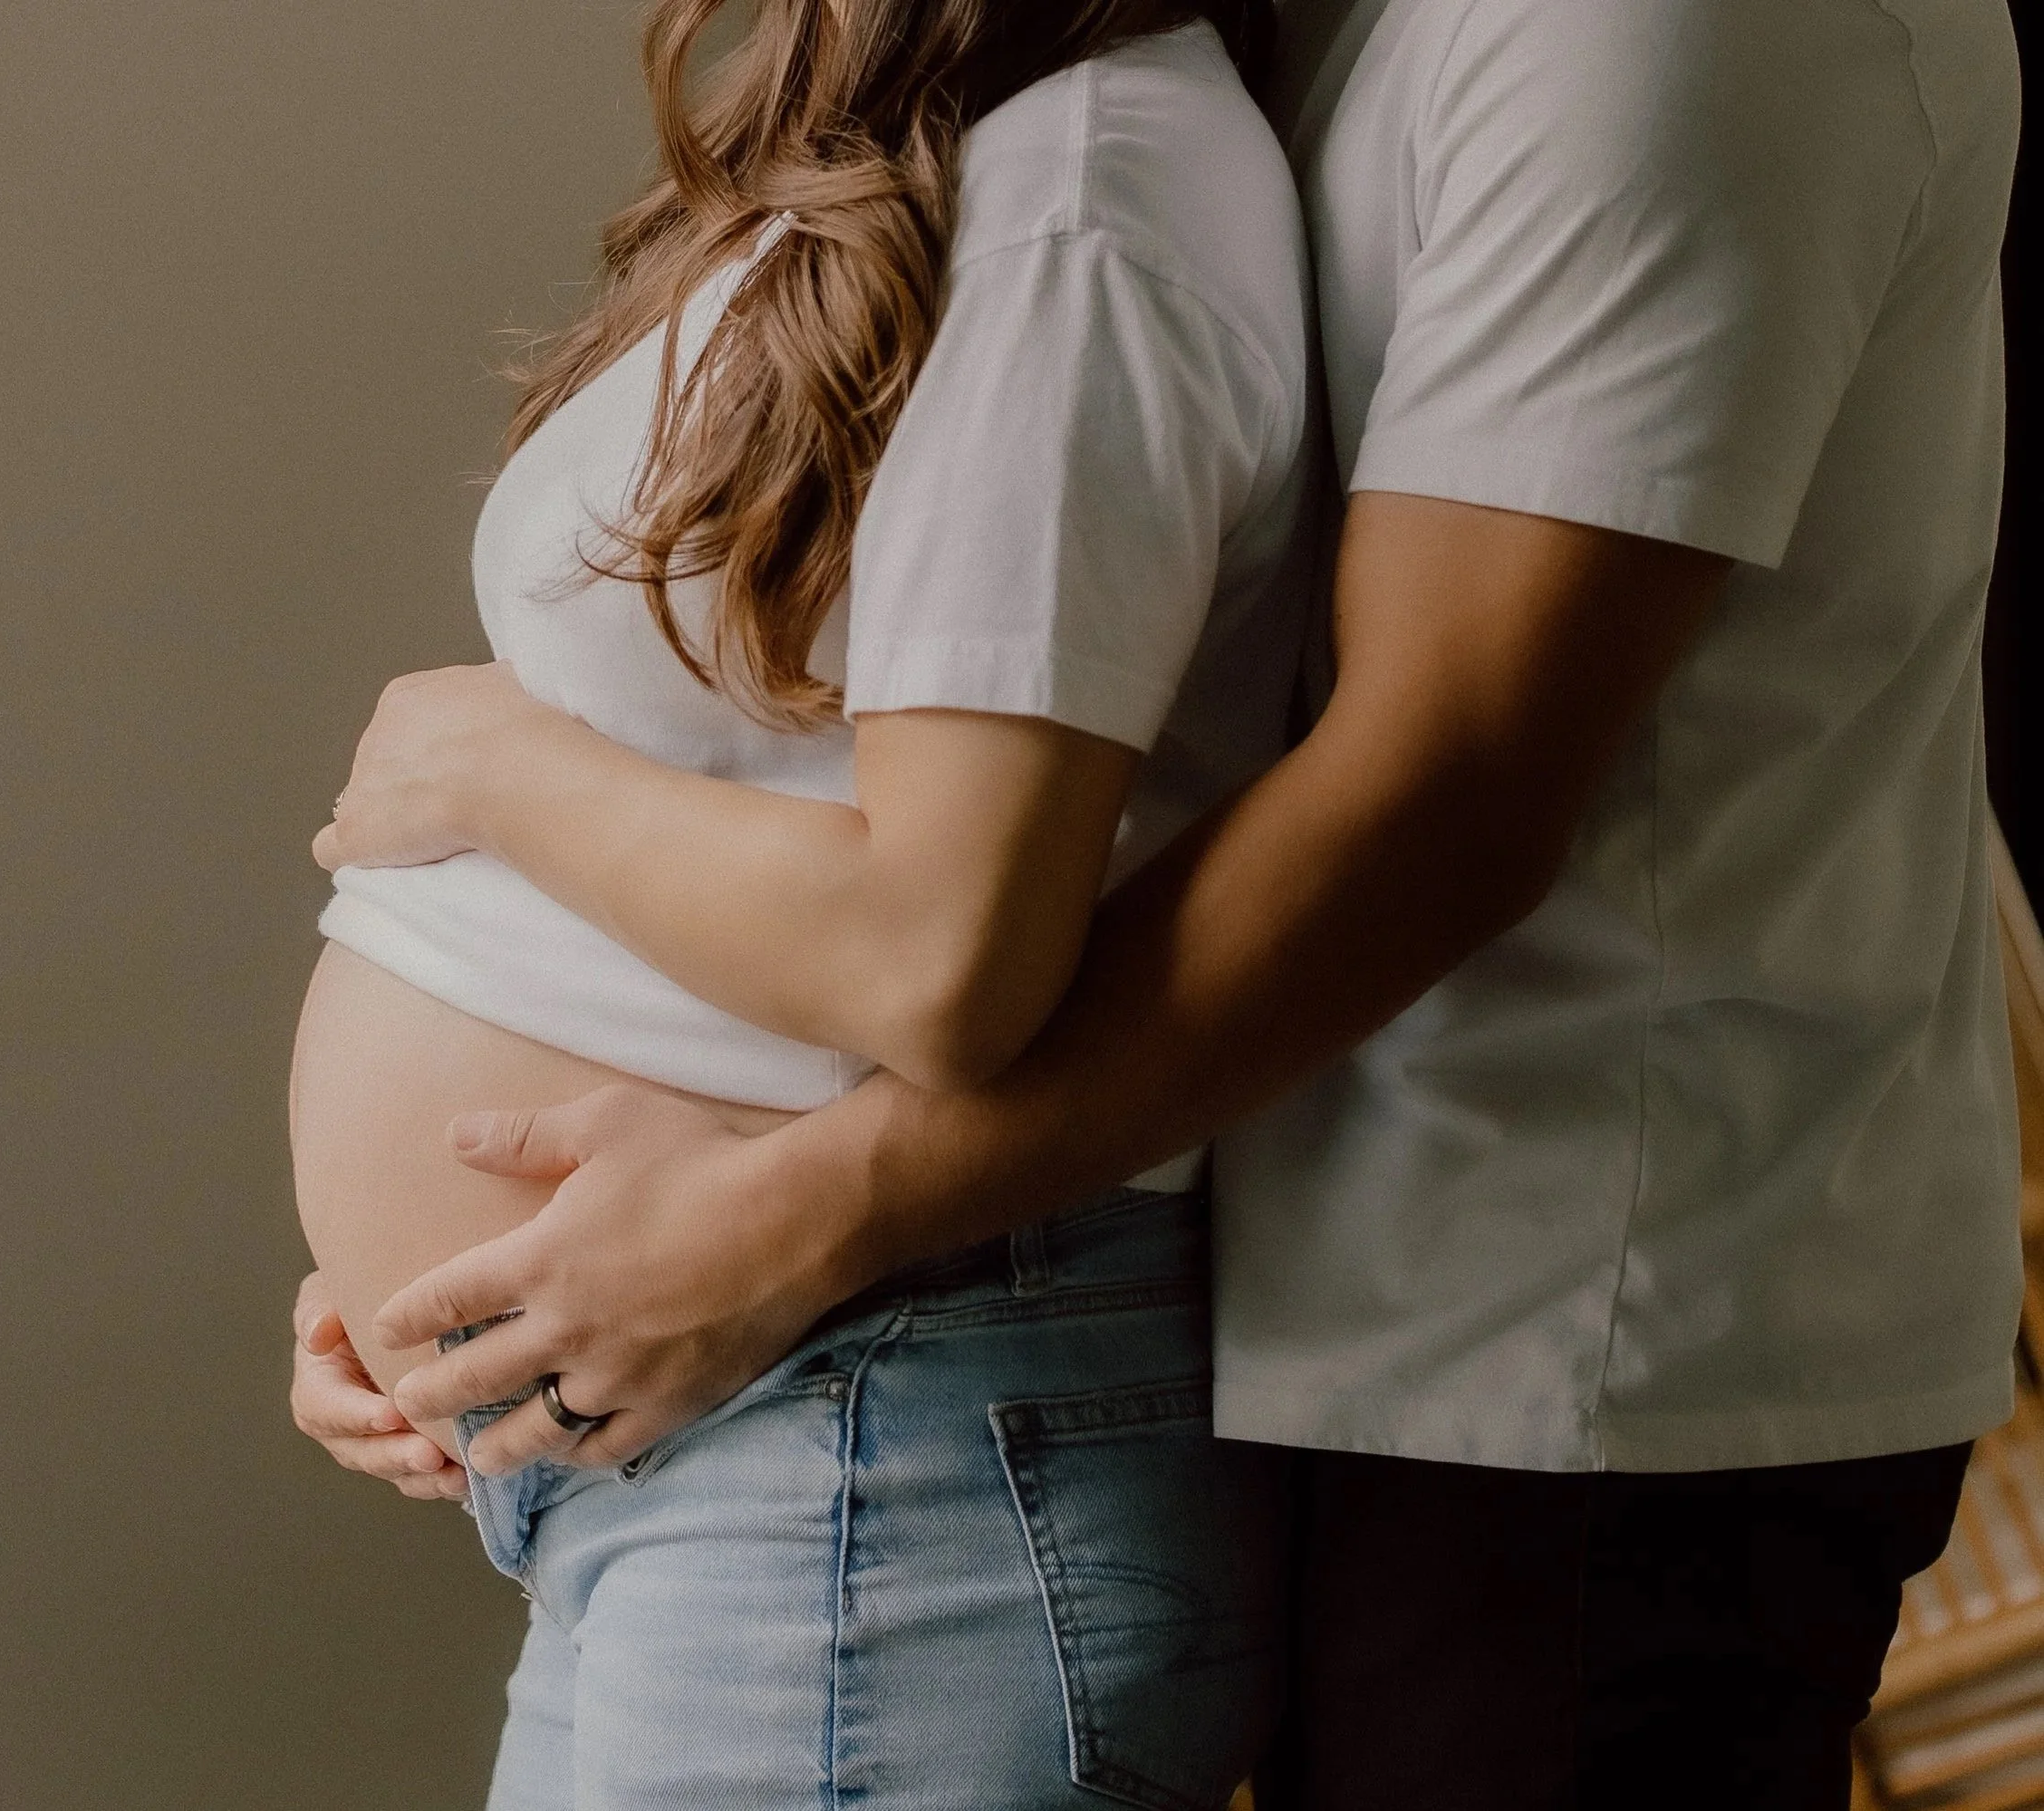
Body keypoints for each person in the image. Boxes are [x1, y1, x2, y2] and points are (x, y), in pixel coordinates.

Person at [298, 0, 2027, 1805]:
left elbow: (1434, 797)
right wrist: (462, 1293)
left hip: (1559, 1323)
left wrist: (777, 1219)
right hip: (1215, 1263)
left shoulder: (1645, 28)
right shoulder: (1163, 74)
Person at [288, 0, 1316, 1805]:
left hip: (866, 1439)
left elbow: (935, 949)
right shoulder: (910, 176)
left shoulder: (1081, 202)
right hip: (732, 1443)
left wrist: (492, 772)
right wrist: (434, 1305)